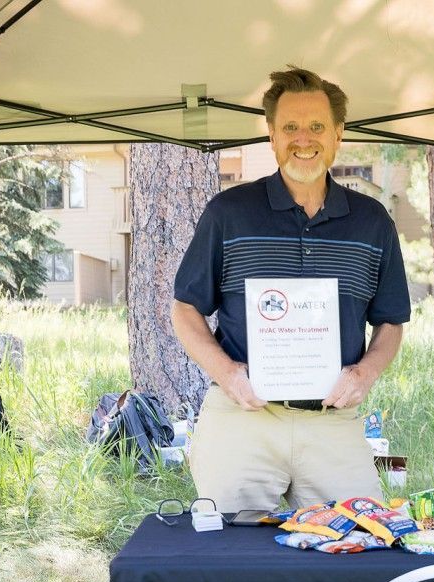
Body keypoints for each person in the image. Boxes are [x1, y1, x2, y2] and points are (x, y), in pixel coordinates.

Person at [172, 65, 410, 513]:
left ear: (339, 134)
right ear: (272, 135)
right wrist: (227, 375)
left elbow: (391, 321)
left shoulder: (372, 221)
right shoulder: (229, 212)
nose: (304, 138)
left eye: (317, 126)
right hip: (244, 416)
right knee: (231, 554)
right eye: (291, 127)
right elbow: (185, 308)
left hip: (332, 420)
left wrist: (365, 374)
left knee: (360, 545)